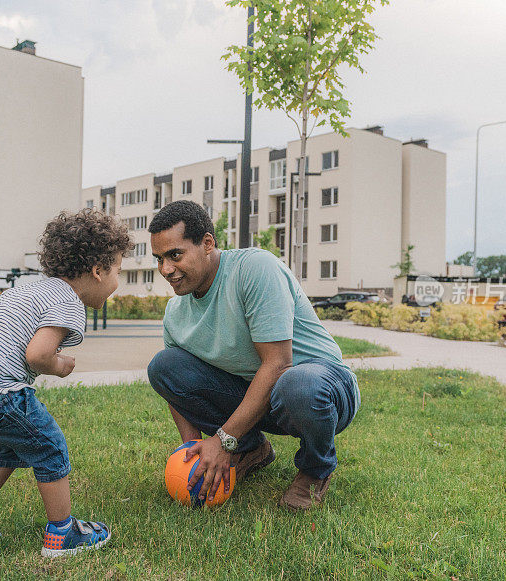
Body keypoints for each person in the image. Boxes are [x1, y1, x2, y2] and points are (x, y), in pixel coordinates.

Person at [0, 209, 132, 557]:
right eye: (117, 270)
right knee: (48, 445)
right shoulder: (68, 301)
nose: (117, 280)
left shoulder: (31, 289)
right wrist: (58, 365)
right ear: (98, 271)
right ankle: (63, 534)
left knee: (10, 444)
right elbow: (37, 355)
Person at [147, 200, 360, 510]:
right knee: (164, 366)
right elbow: (176, 393)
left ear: (207, 243)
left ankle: (316, 468)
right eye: (159, 259)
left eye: (174, 255)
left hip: (321, 389)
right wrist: (193, 452)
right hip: (260, 397)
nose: (166, 269)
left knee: (296, 384)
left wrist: (221, 440)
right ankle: (249, 449)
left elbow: (278, 364)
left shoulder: (255, 269)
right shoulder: (175, 313)